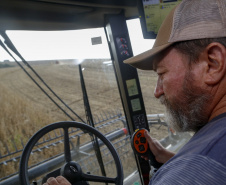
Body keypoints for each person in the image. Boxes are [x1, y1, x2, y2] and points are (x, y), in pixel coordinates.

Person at [44, 0, 226, 184]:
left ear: (212, 64)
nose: (157, 91)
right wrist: (173, 160)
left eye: (162, 73)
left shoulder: (186, 175)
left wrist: (179, 169)